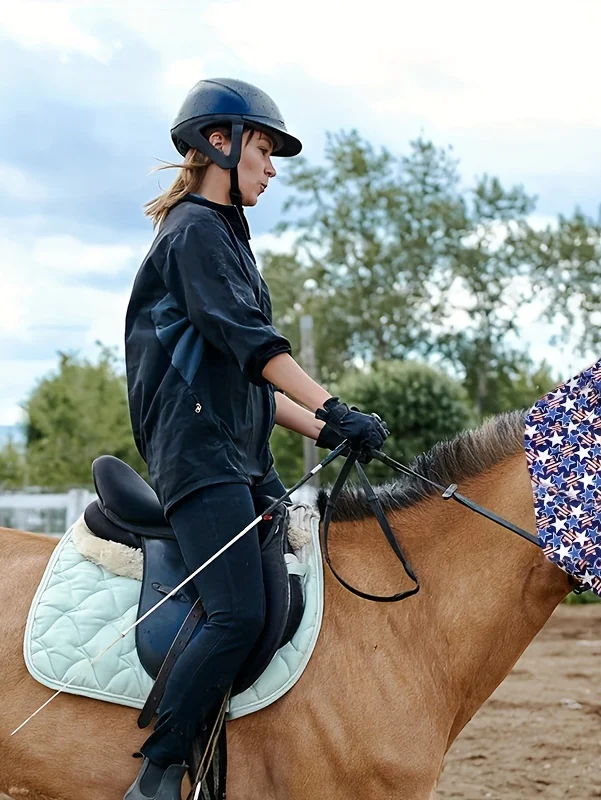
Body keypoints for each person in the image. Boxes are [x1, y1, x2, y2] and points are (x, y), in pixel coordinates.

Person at [123, 78, 389, 800]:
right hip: (198, 458)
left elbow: (253, 385)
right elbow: (253, 345)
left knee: (275, 610)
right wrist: (332, 402)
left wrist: (332, 424)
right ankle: (158, 770)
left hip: (243, 457)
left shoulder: (229, 241)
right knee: (240, 613)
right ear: (221, 143)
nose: (271, 168)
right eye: (264, 151)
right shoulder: (193, 234)